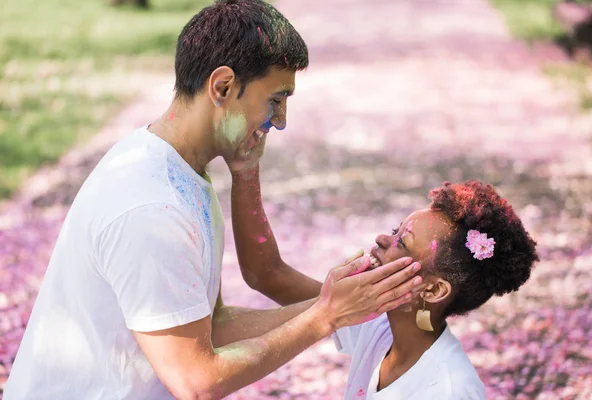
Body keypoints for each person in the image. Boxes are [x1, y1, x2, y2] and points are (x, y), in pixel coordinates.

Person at [3, 1, 423, 399]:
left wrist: (332, 304)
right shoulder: (152, 207)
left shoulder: (179, 168)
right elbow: (196, 381)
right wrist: (323, 317)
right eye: (275, 100)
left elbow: (212, 325)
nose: (280, 121)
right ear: (222, 86)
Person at [239, 180, 539, 399]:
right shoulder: (378, 326)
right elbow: (267, 275)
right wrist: (244, 167)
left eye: (402, 242)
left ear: (433, 291)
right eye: (396, 230)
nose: (382, 238)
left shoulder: (449, 390)